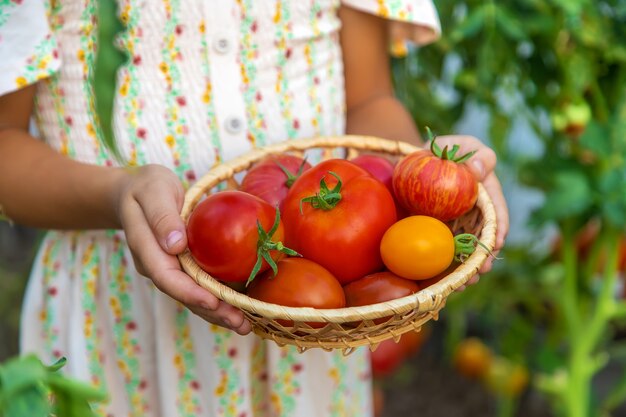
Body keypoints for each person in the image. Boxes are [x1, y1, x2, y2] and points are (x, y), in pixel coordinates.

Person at [0, 1, 508, 416]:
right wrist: (116, 194)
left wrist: (424, 180)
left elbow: (370, 99)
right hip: (117, 322)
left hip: (311, 327)